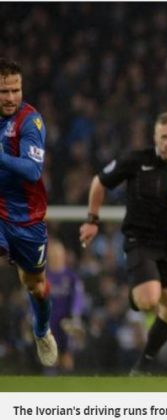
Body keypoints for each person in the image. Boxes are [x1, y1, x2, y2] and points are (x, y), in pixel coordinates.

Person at [79, 111, 167, 375]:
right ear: (155, 138)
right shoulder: (136, 160)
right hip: (140, 239)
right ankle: (135, 295)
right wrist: (92, 220)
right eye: (164, 137)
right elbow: (99, 182)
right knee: (149, 301)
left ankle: (144, 365)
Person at [0, 58, 58, 368]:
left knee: (35, 285)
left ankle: (41, 330)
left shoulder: (29, 121)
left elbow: (33, 171)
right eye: (4, 91)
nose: (11, 97)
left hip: (26, 217)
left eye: (15, 90)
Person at [46, 238, 86, 373]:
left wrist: (75, 316)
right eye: (53, 253)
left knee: (67, 355)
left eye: (58, 253)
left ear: (63, 255)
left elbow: (78, 298)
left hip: (65, 322)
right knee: (51, 357)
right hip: (49, 322)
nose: (56, 256)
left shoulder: (71, 277)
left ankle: (67, 381)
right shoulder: (43, 277)